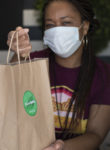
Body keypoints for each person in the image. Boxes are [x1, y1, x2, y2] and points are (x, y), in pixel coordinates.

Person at [7, 0, 110, 149]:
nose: (57, 30)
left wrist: (61, 147)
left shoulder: (103, 75)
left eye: (66, 23)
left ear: (85, 26)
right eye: (50, 25)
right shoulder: (35, 62)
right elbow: (11, 78)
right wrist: (18, 51)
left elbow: (95, 134)